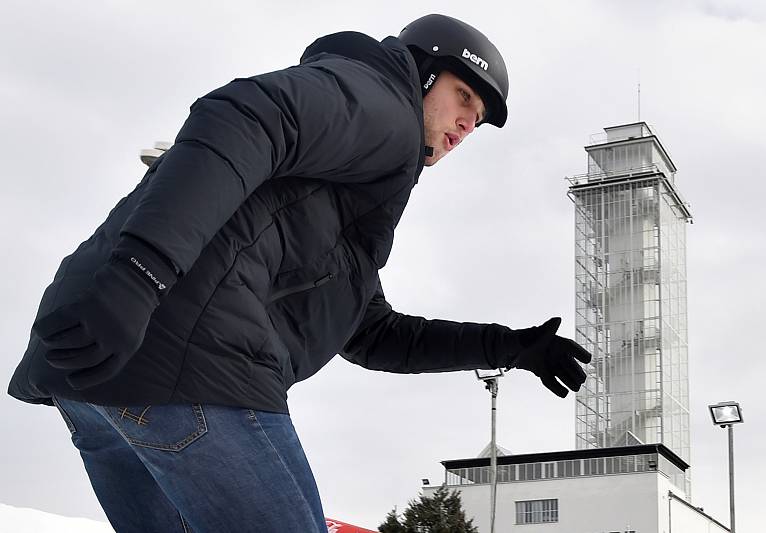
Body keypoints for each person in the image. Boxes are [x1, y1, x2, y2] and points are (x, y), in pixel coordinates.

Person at [8, 14, 591, 533]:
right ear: (422, 74)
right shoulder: (383, 101)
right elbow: (249, 116)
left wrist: (506, 346)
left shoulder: (344, 200)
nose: (467, 124)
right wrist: (141, 272)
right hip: (182, 361)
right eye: (464, 97)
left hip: (95, 366)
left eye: (479, 119)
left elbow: (369, 331)